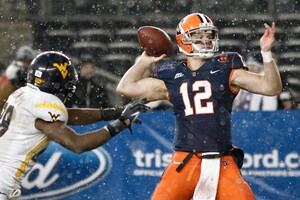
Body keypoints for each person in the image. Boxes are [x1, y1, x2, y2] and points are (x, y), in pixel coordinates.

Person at [116, 13, 282, 199]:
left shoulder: (226, 69)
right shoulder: (173, 75)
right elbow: (125, 87)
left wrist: (266, 53)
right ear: (184, 40)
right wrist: (145, 61)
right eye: (199, 37)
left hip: (223, 160)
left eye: (209, 36)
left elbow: (271, 87)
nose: (205, 41)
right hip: (185, 160)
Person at [0, 51, 150, 200]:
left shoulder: (24, 95)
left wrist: (114, 112)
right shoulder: (42, 105)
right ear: (55, 82)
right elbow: (78, 144)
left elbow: (71, 115)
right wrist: (121, 123)